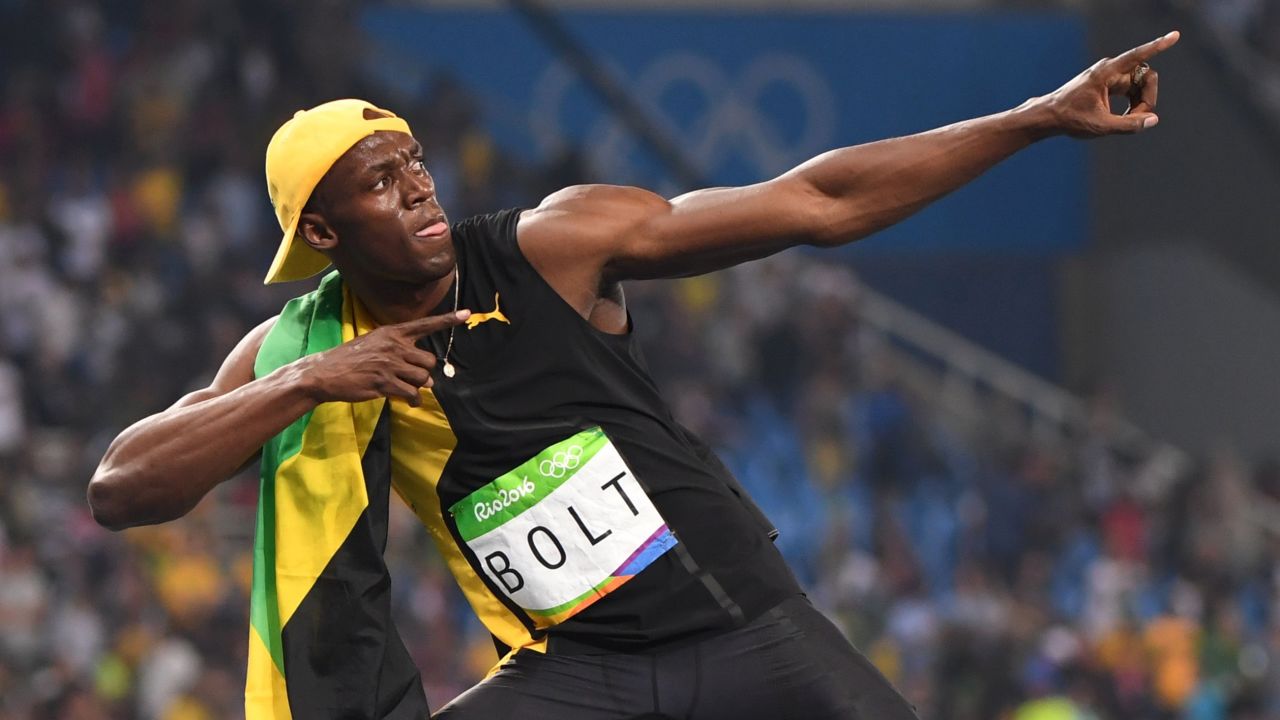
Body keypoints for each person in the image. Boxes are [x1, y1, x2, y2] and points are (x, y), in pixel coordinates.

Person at [87, 31, 1180, 720]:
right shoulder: (299, 352)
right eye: (382, 181)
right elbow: (122, 487)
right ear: (322, 230)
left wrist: (1037, 119)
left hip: (747, 633)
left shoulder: (554, 245)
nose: (418, 186)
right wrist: (308, 385)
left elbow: (816, 202)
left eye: (415, 160)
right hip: (581, 672)